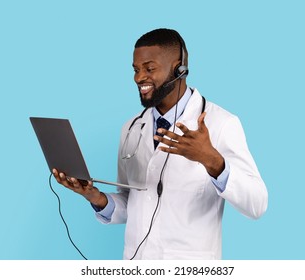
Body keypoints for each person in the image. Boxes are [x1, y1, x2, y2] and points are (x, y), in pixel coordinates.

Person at [53, 28, 268, 260]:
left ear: (179, 69)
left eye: (149, 68)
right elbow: (133, 203)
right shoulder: (132, 127)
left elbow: (256, 204)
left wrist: (212, 160)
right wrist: (95, 197)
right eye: (136, 70)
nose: (138, 78)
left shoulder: (222, 123)